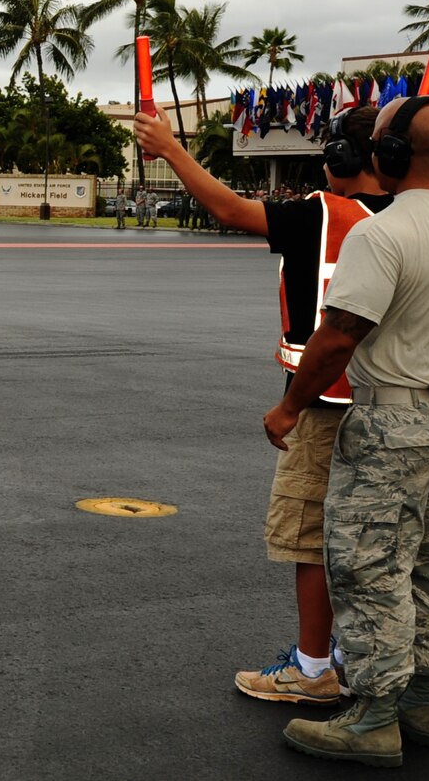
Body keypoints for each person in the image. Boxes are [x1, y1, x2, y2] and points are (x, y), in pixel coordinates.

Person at [261, 97, 429, 766]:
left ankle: (375, 715)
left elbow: (337, 336)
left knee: (371, 564)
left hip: (396, 421)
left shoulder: (381, 235)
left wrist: (290, 407)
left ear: (389, 157)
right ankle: (425, 701)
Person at [134, 105, 391, 707]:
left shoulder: (324, 214)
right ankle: (390, 671)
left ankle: (312, 667)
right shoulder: (419, 218)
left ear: (340, 160)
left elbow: (227, 208)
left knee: (311, 536)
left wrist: (172, 149)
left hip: (326, 402)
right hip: (404, 402)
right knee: (390, 540)